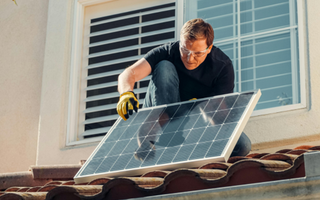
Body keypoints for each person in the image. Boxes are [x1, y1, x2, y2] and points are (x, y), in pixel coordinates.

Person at [117, 18, 251, 157]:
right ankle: (159, 132)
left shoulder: (222, 66)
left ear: (209, 48)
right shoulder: (168, 51)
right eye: (185, 50)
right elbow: (129, 73)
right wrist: (126, 94)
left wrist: (205, 111)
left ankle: (184, 141)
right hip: (164, 113)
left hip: (195, 120)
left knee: (241, 146)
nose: (189, 59)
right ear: (180, 43)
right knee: (164, 66)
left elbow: (221, 117)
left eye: (197, 53)